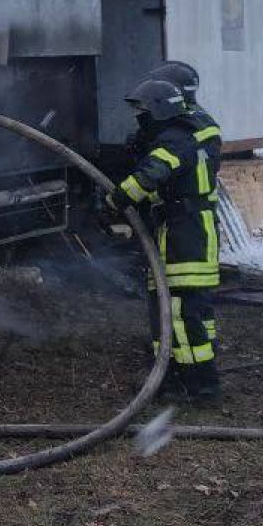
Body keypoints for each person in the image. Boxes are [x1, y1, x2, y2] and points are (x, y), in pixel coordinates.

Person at [110, 78, 222, 400]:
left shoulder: (173, 141)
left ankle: (196, 384)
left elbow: (147, 178)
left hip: (184, 233)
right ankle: (180, 374)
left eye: (142, 112)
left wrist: (113, 202)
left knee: (179, 310)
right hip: (191, 229)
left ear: (158, 110)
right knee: (188, 309)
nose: (138, 118)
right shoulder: (195, 132)